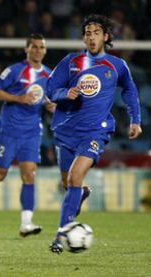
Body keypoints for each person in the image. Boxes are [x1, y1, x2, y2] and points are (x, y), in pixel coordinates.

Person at [46, 14, 142, 254]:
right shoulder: (71, 61)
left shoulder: (116, 65)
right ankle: (82, 193)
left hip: (95, 131)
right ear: (83, 37)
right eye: (87, 33)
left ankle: (60, 235)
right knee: (68, 183)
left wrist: (135, 119)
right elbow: (50, 88)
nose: (91, 36)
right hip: (66, 130)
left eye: (96, 32)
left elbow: (129, 90)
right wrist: (64, 94)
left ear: (106, 37)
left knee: (74, 178)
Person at [0, 34, 55, 237]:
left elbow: (46, 98)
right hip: (9, 130)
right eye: (34, 47)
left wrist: (50, 104)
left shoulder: (49, 75)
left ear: (45, 50)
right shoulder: (15, 70)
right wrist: (19, 98)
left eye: (41, 47)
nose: (38, 50)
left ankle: (26, 223)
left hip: (32, 131)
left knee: (29, 174)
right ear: (26, 49)